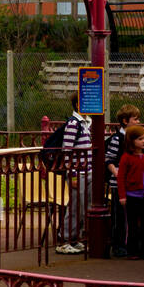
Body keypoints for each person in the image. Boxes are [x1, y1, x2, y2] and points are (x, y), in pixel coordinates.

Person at [105, 102, 141, 258]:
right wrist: (115, 171)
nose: (138, 122)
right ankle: (118, 244)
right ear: (125, 121)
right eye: (135, 119)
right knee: (119, 216)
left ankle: (130, 243)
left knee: (132, 215)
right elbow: (109, 159)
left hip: (133, 183)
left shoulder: (136, 138)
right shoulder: (117, 139)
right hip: (119, 184)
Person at [117, 124, 144, 259]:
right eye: (140, 139)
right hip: (131, 196)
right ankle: (132, 251)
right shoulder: (126, 158)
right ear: (132, 141)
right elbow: (121, 177)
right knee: (132, 225)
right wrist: (122, 196)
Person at [57, 94, 91, 255]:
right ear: (78, 104)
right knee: (75, 206)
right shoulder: (73, 124)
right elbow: (67, 151)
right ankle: (64, 239)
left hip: (87, 170)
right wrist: (72, 175)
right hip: (79, 172)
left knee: (83, 206)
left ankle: (75, 238)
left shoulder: (86, 123)